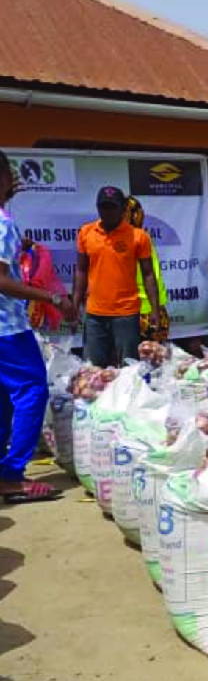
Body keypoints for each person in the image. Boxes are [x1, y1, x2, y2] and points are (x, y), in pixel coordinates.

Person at [0, 151, 75, 501]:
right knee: (32, 389)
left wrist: (21, 248)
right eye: (8, 173)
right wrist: (51, 298)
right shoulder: (1, 223)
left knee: (4, 397)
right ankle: (13, 475)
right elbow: (1, 281)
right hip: (7, 328)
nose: (14, 180)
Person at [74, 186, 161, 367]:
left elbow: (148, 274)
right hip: (94, 314)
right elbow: (81, 271)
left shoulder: (139, 236)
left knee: (129, 369)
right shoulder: (85, 233)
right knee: (93, 370)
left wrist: (155, 308)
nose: (108, 211)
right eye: (104, 206)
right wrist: (75, 305)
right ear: (98, 208)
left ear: (123, 208)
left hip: (126, 313)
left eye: (113, 206)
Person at [124, 197, 170, 343]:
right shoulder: (140, 237)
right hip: (147, 308)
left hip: (143, 308)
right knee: (153, 359)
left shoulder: (140, 237)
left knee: (133, 362)